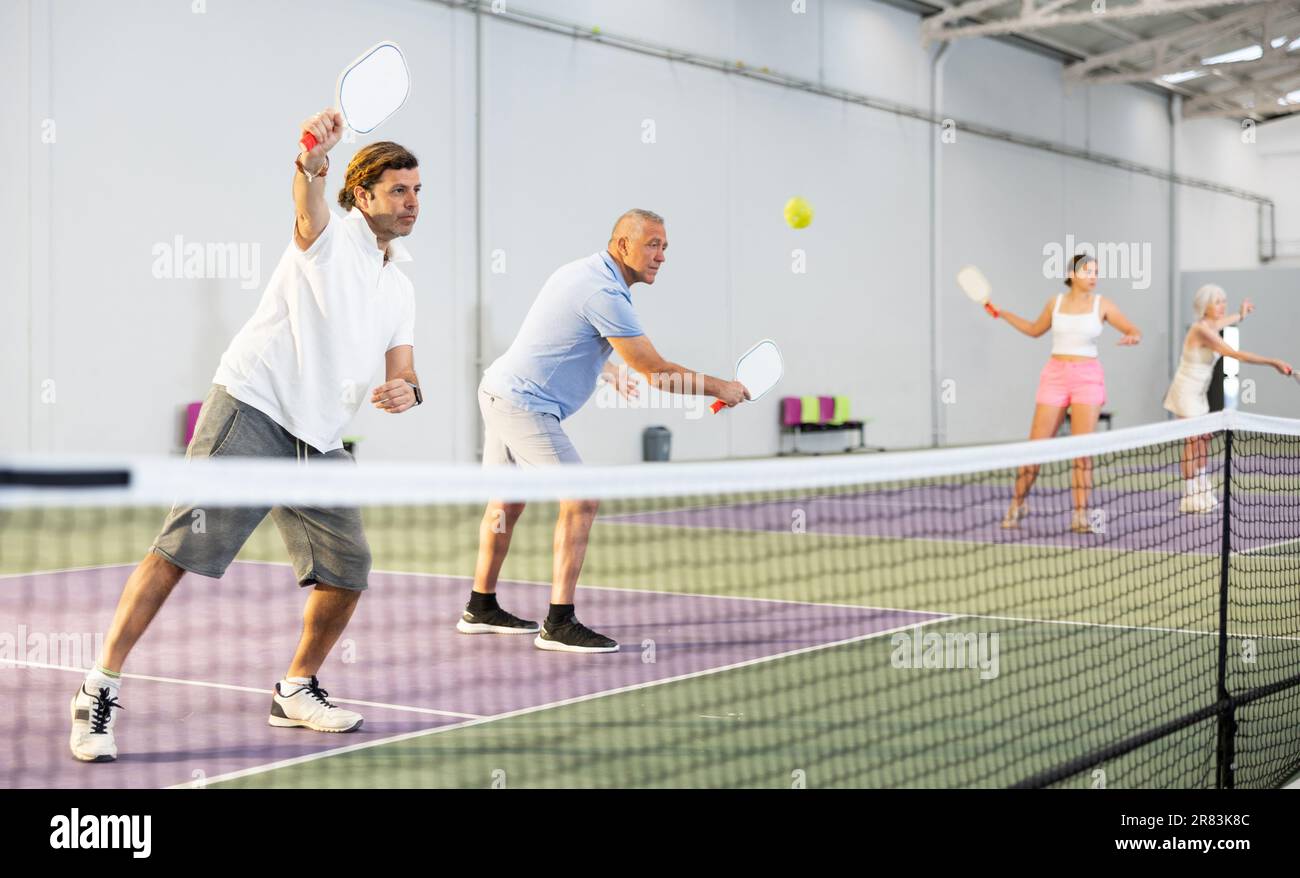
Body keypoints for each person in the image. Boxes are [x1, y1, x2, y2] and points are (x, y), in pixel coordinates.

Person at [70, 112, 423, 762]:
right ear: (363, 194)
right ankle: (99, 687)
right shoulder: (328, 238)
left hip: (317, 438)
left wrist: (408, 389)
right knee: (178, 553)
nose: (412, 203)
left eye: (417, 191)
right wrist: (311, 159)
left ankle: (295, 687)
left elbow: (405, 370)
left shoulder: (399, 284)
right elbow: (308, 203)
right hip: (253, 408)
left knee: (348, 570)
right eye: (399, 190)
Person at [462, 209, 748, 653]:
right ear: (622, 245)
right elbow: (656, 372)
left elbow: (563, 332)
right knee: (582, 498)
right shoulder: (604, 292)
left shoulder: (583, 272)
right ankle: (559, 622)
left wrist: (607, 368)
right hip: (523, 403)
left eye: (665, 246)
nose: (661, 256)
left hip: (498, 389)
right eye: (652, 244)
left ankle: (480, 606)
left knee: (507, 501)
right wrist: (721, 387)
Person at [991, 254, 1142, 533]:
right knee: (1035, 449)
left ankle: (1080, 515)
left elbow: (1132, 328)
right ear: (1071, 273)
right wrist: (1004, 314)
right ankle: (1017, 505)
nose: (1093, 276)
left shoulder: (1103, 304)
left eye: (1096, 271)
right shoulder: (1055, 303)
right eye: (1088, 270)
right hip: (1055, 376)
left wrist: (1133, 335)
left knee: (1082, 452)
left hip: (1087, 378)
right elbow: (1035, 330)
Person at [1163, 284, 1292, 513]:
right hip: (1184, 392)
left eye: (1224, 301)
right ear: (1205, 307)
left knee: (1203, 440)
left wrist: (1242, 313)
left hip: (1199, 393)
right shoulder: (1200, 330)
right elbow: (1235, 354)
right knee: (1193, 442)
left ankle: (1202, 489)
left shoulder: (1212, 325)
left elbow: (1229, 320)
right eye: (1218, 302)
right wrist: (1273, 362)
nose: (1223, 306)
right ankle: (1189, 495)